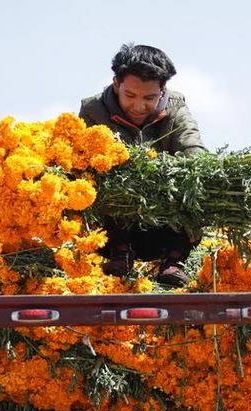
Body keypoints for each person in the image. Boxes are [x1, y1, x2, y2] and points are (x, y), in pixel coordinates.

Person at [79, 43, 206, 287]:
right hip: (116, 223)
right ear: (116, 83)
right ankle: (121, 253)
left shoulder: (176, 106)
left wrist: (173, 174)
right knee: (94, 180)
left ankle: (173, 261)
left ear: (162, 89)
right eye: (130, 96)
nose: (139, 107)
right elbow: (82, 162)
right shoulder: (93, 110)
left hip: (166, 221)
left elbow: (194, 150)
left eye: (149, 98)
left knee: (201, 180)